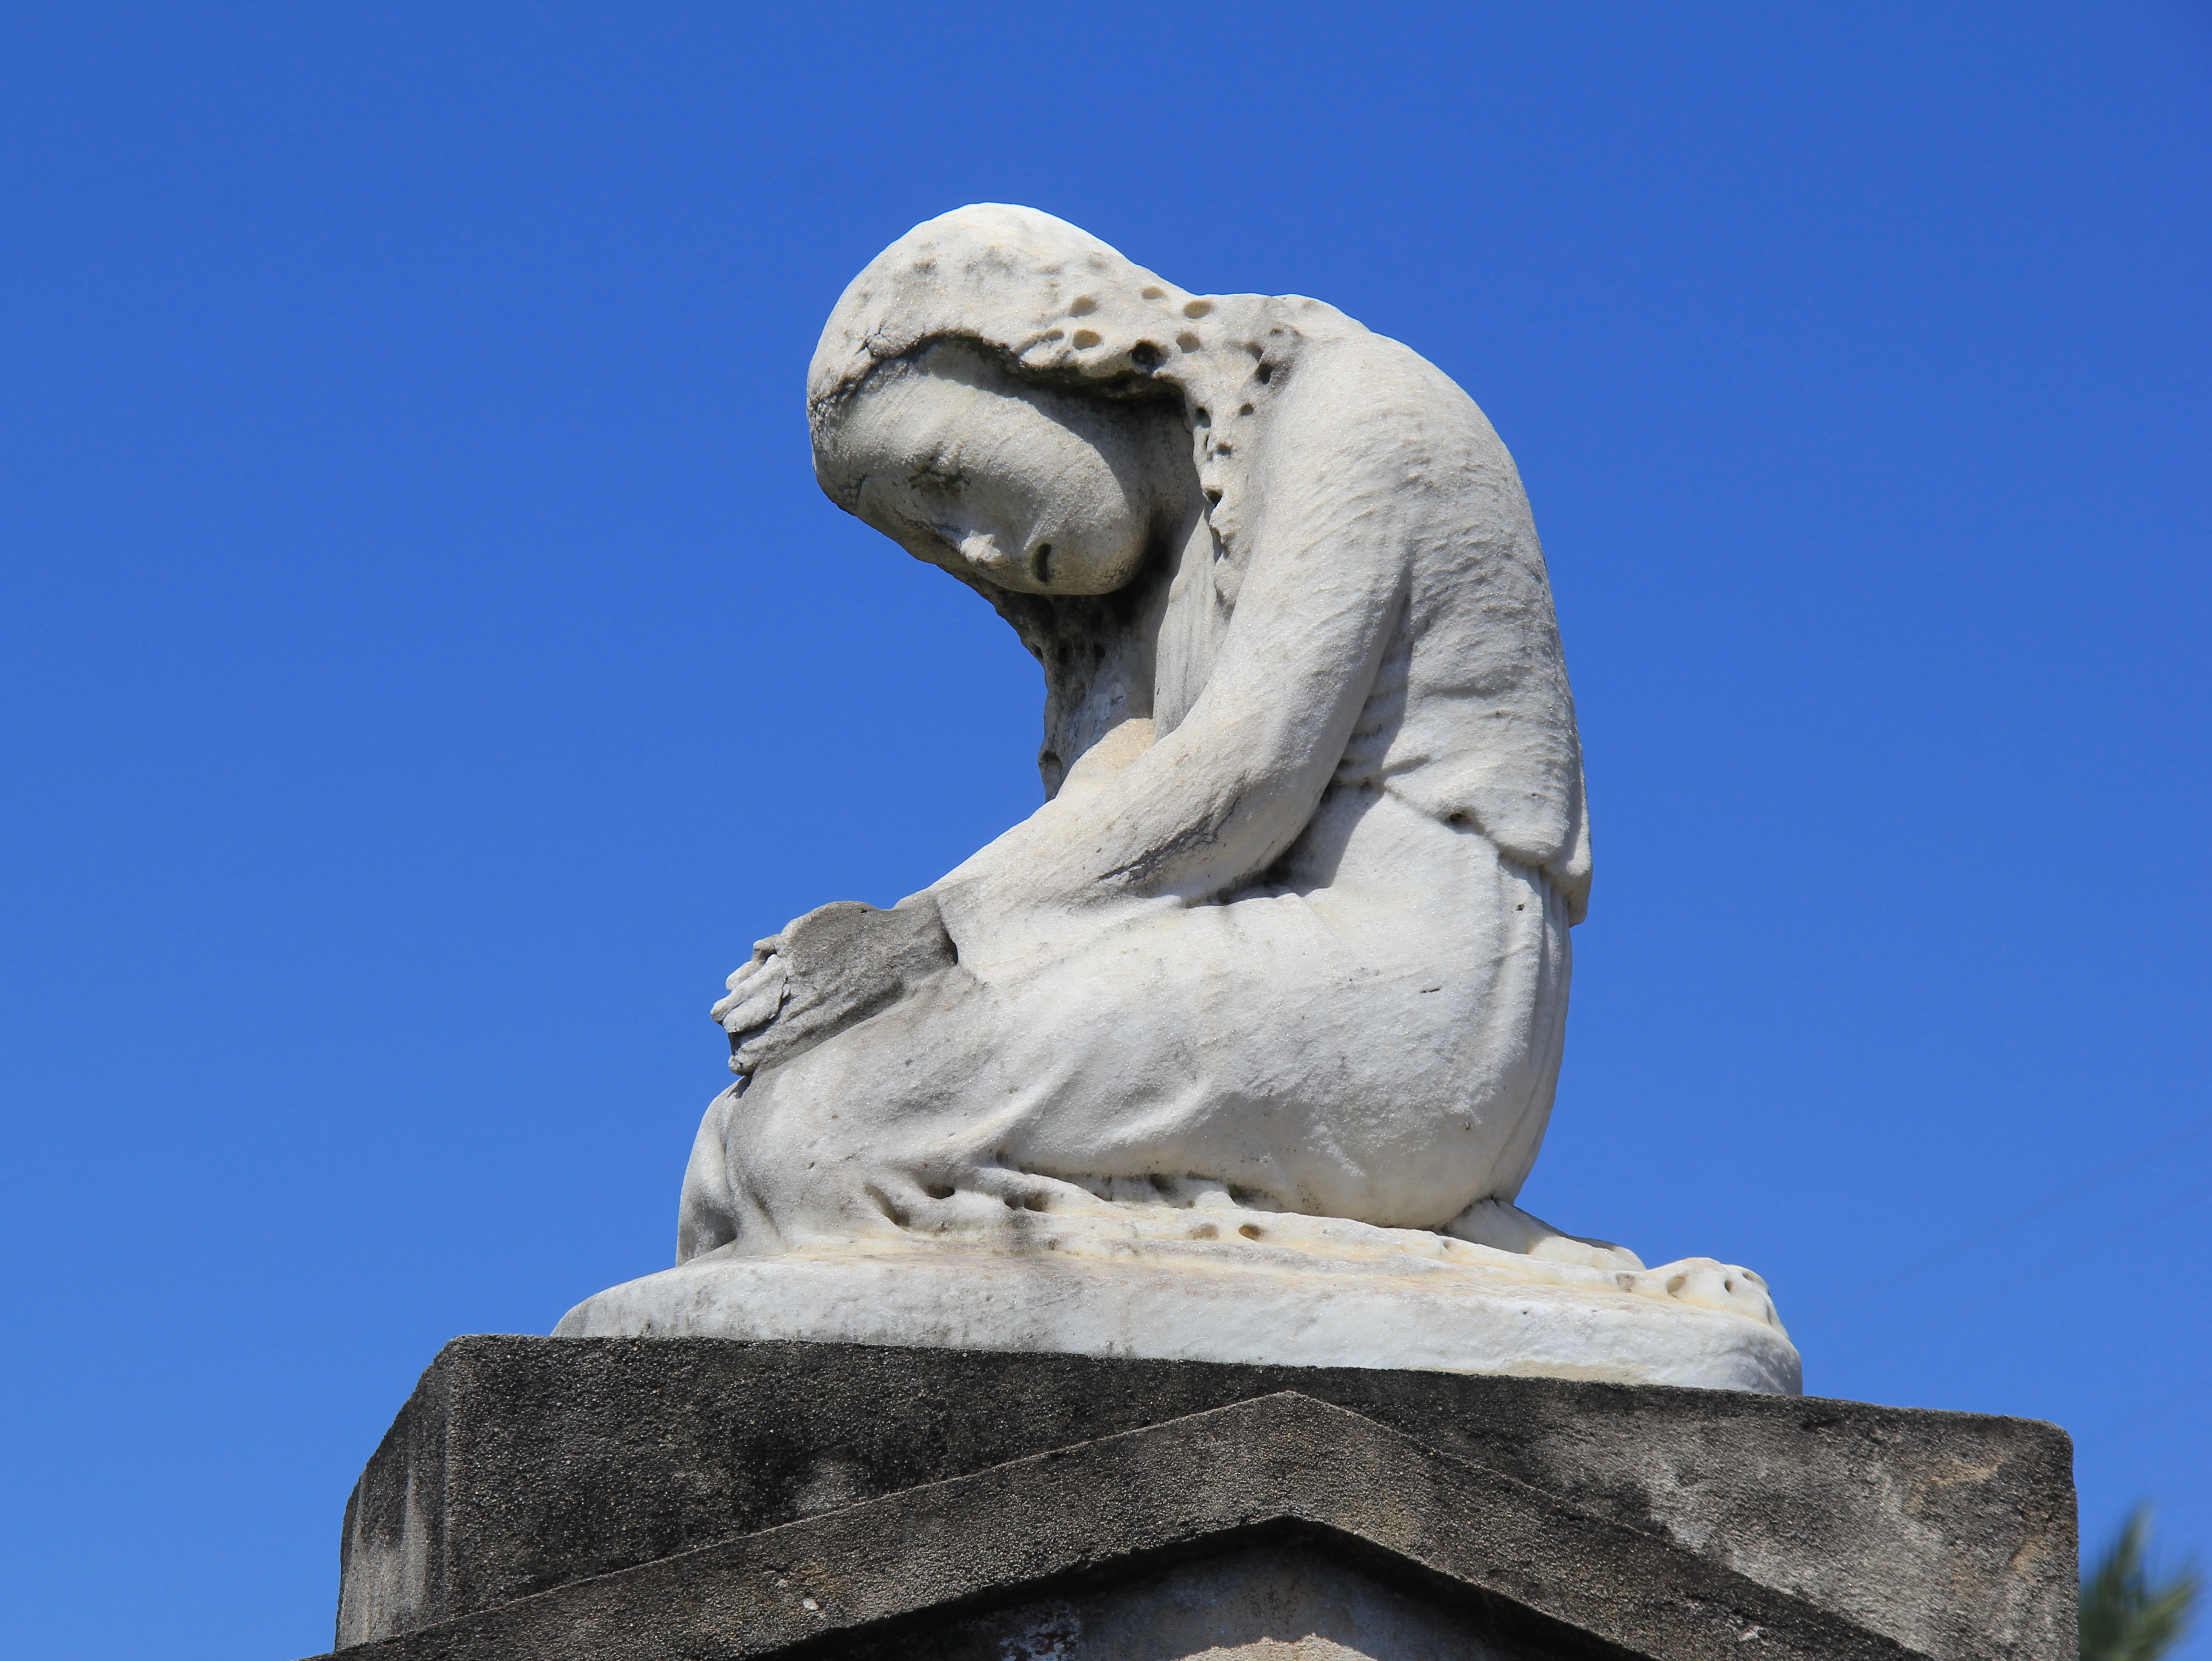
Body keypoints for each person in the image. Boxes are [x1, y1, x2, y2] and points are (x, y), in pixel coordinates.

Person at [681, 205, 1595, 1267]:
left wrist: (916, 939)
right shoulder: (1125, 603)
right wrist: (878, 954)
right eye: (929, 538)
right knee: (738, 1141)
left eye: (944, 474)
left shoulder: (1356, 409)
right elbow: (1101, 833)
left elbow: (1250, 781)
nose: (975, 544)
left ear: (1043, 350)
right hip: (1246, 965)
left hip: (1414, 1008)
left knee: (820, 1139)